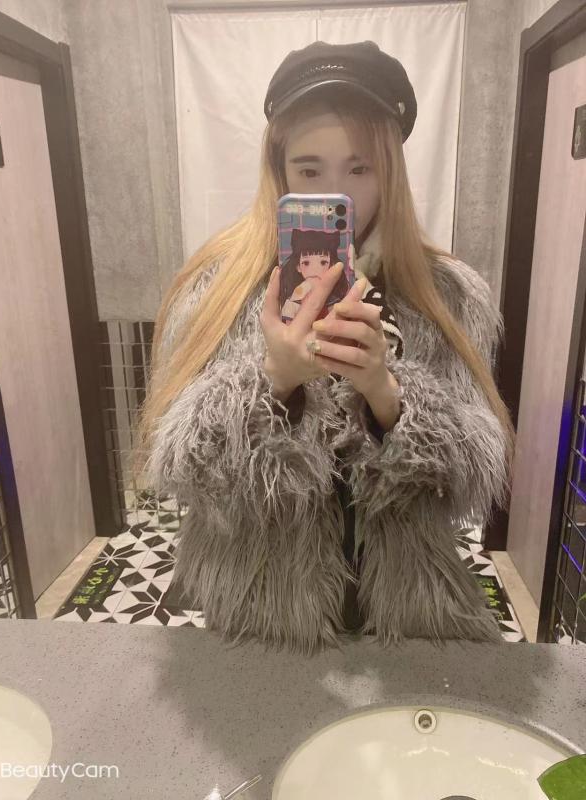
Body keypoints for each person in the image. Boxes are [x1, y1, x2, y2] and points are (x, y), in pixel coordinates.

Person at [134, 41, 516, 656]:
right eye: (310, 171)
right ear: (280, 171)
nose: (338, 193)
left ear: (390, 171)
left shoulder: (447, 293)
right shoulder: (214, 288)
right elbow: (179, 468)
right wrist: (272, 382)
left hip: (410, 610)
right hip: (264, 611)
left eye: (360, 169)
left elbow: (475, 473)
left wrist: (387, 395)